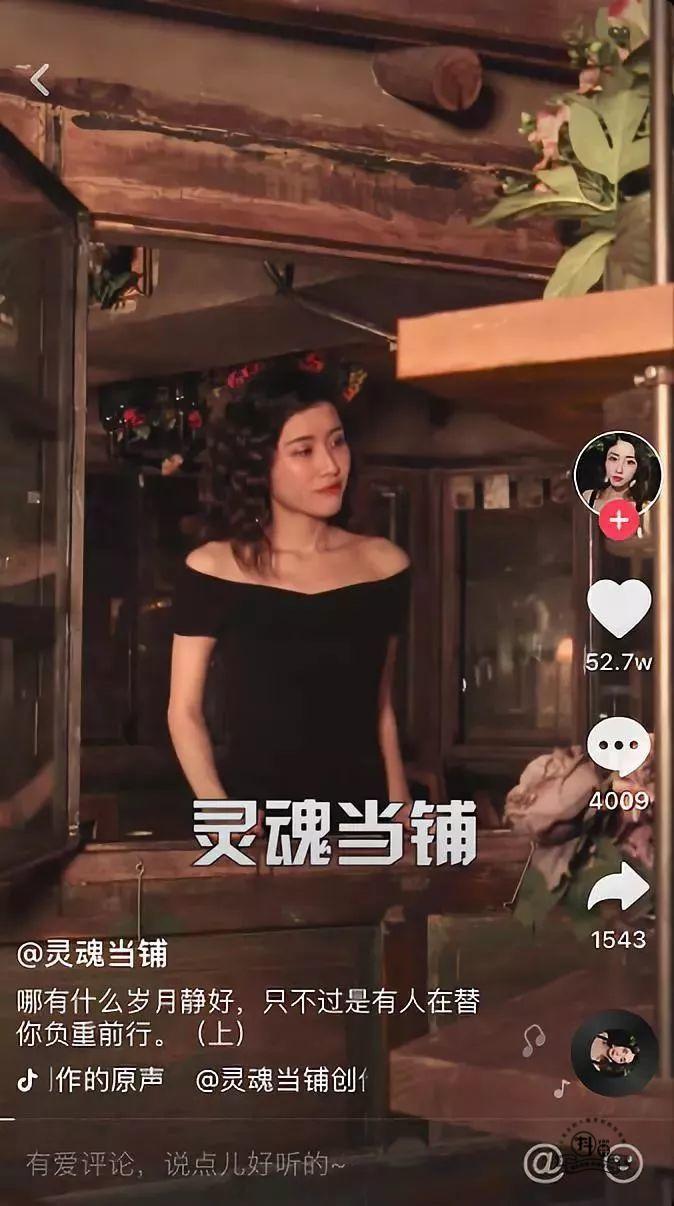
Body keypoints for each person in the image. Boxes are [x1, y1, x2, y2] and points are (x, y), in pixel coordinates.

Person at [167, 363, 412, 837]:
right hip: (252, 826)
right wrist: (218, 808)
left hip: (360, 821)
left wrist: (401, 807)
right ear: (260, 464)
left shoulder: (385, 566)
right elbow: (183, 710)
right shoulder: (212, 569)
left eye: (337, 442)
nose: (331, 465)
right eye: (304, 450)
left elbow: (380, 708)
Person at [581, 432, 656, 515]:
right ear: (605, 461)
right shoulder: (587, 497)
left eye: (629, 462)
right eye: (613, 459)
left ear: (638, 468)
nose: (619, 470)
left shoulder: (645, 507)